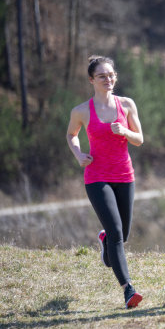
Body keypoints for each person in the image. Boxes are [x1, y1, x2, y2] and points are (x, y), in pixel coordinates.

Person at [66, 55, 144, 309]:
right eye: (102, 76)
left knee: (122, 235)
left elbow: (139, 139)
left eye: (111, 75)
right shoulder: (81, 111)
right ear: (92, 80)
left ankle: (105, 242)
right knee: (116, 232)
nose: (108, 80)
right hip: (97, 177)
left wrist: (125, 132)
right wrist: (79, 154)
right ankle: (128, 290)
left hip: (124, 175)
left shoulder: (127, 105)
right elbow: (71, 135)